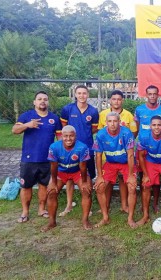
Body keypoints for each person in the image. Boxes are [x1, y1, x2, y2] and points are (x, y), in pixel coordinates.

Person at [12, 91, 62, 223]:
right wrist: (28, 125)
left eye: (45, 99)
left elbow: (60, 138)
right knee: (26, 186)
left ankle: (41, 209)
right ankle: (25, 212)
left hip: (47, 159)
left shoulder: (54, 118)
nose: (42, 101)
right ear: (34, 102)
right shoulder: (27, 116)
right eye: (39, 99)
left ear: (48, 102)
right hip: (29, 159)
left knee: (44, 185)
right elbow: (14, 130)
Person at [42, 125, 92, 232]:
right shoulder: (54, 147)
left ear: (76, 136)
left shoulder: (82, 147)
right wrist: (53, 182)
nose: (68, 139)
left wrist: (84, 182)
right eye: (65, 136)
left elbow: (83, 167)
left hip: (77, 172)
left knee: (86, 190)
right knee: (51, 192)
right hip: (61, 171)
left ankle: (85, 220)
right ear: (61, 136)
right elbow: (54, 166)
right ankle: (52, 222)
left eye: (71, 136)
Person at [59, 85, 99, 217]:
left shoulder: (93, 111)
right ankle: (69, 205)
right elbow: (64, 128)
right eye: (79, 93)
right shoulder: (67, 109)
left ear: (88, 95)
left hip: (87, 149)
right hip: (70, 150)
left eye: (84, 93)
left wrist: (83, 135)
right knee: (69, 177)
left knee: (87, 178)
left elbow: (93, 129)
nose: (82, 96)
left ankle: (89, 204)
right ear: (75, 95)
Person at [92, 112, 137, 228]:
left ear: (119, 121)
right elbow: (98, 156)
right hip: (110, 163)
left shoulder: (126, 133)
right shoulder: (101, 134)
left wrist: (131, 174)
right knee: (100, 187)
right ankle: (105, 217)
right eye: (110, 121)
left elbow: (131, 155)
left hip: (126, 163)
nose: (112, 124)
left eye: (115, 121)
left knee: (132, 186)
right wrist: (99, 176)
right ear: (106, 123)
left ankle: (130, 218)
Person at [98, 90, 138, 214]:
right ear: (110, 100)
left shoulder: (128, 115)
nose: (116, 101)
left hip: (124, 156)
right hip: (108, 156)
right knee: (106, 183)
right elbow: (102, 135)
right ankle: (106, 208)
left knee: (125, 181)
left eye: (119, 99)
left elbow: (134, 132)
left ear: (122, 100)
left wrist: (127, 141)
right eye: (114, 99)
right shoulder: (103, 114)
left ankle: (125, 206)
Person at [134, 85, 161, 213]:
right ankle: (143, 202)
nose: (152, 96)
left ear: (158, 95)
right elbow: (137, 128)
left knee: (156, 177)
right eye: (150, 94)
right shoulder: (139, 110)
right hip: (144, 146)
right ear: (146, 95)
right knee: (142, 175)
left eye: (154, 94)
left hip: (159, 146)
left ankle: (155, 202)